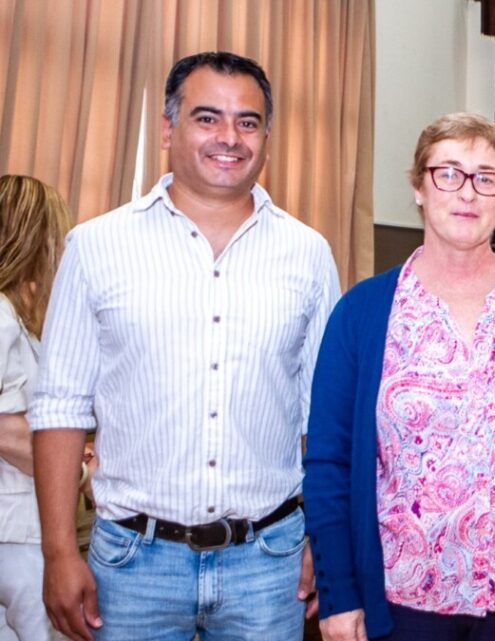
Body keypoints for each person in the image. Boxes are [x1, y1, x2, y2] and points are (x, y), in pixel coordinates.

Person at [29, 51, 340, 641]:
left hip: (269, 565)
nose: (230, 137)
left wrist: (321, 542)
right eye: (208, 118)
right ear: (169, 130)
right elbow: (60, 407)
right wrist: (57, 553)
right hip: (132, 565)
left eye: (247, 122)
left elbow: (319, 419)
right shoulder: (96, 247)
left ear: (266, 139)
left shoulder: (308, 255)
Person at [303, 112, 495, 641]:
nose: (467, 192)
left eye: (487, 178)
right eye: (448, 173)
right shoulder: (362, 312)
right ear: (419, 187)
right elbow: (329, 462)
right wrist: (340, 593)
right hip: (402, 600)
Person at [0, 175, 71, 641]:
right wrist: (78, 471)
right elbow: (7, 432)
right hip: (16, 532)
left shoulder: (16, 316)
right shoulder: (2, 319)